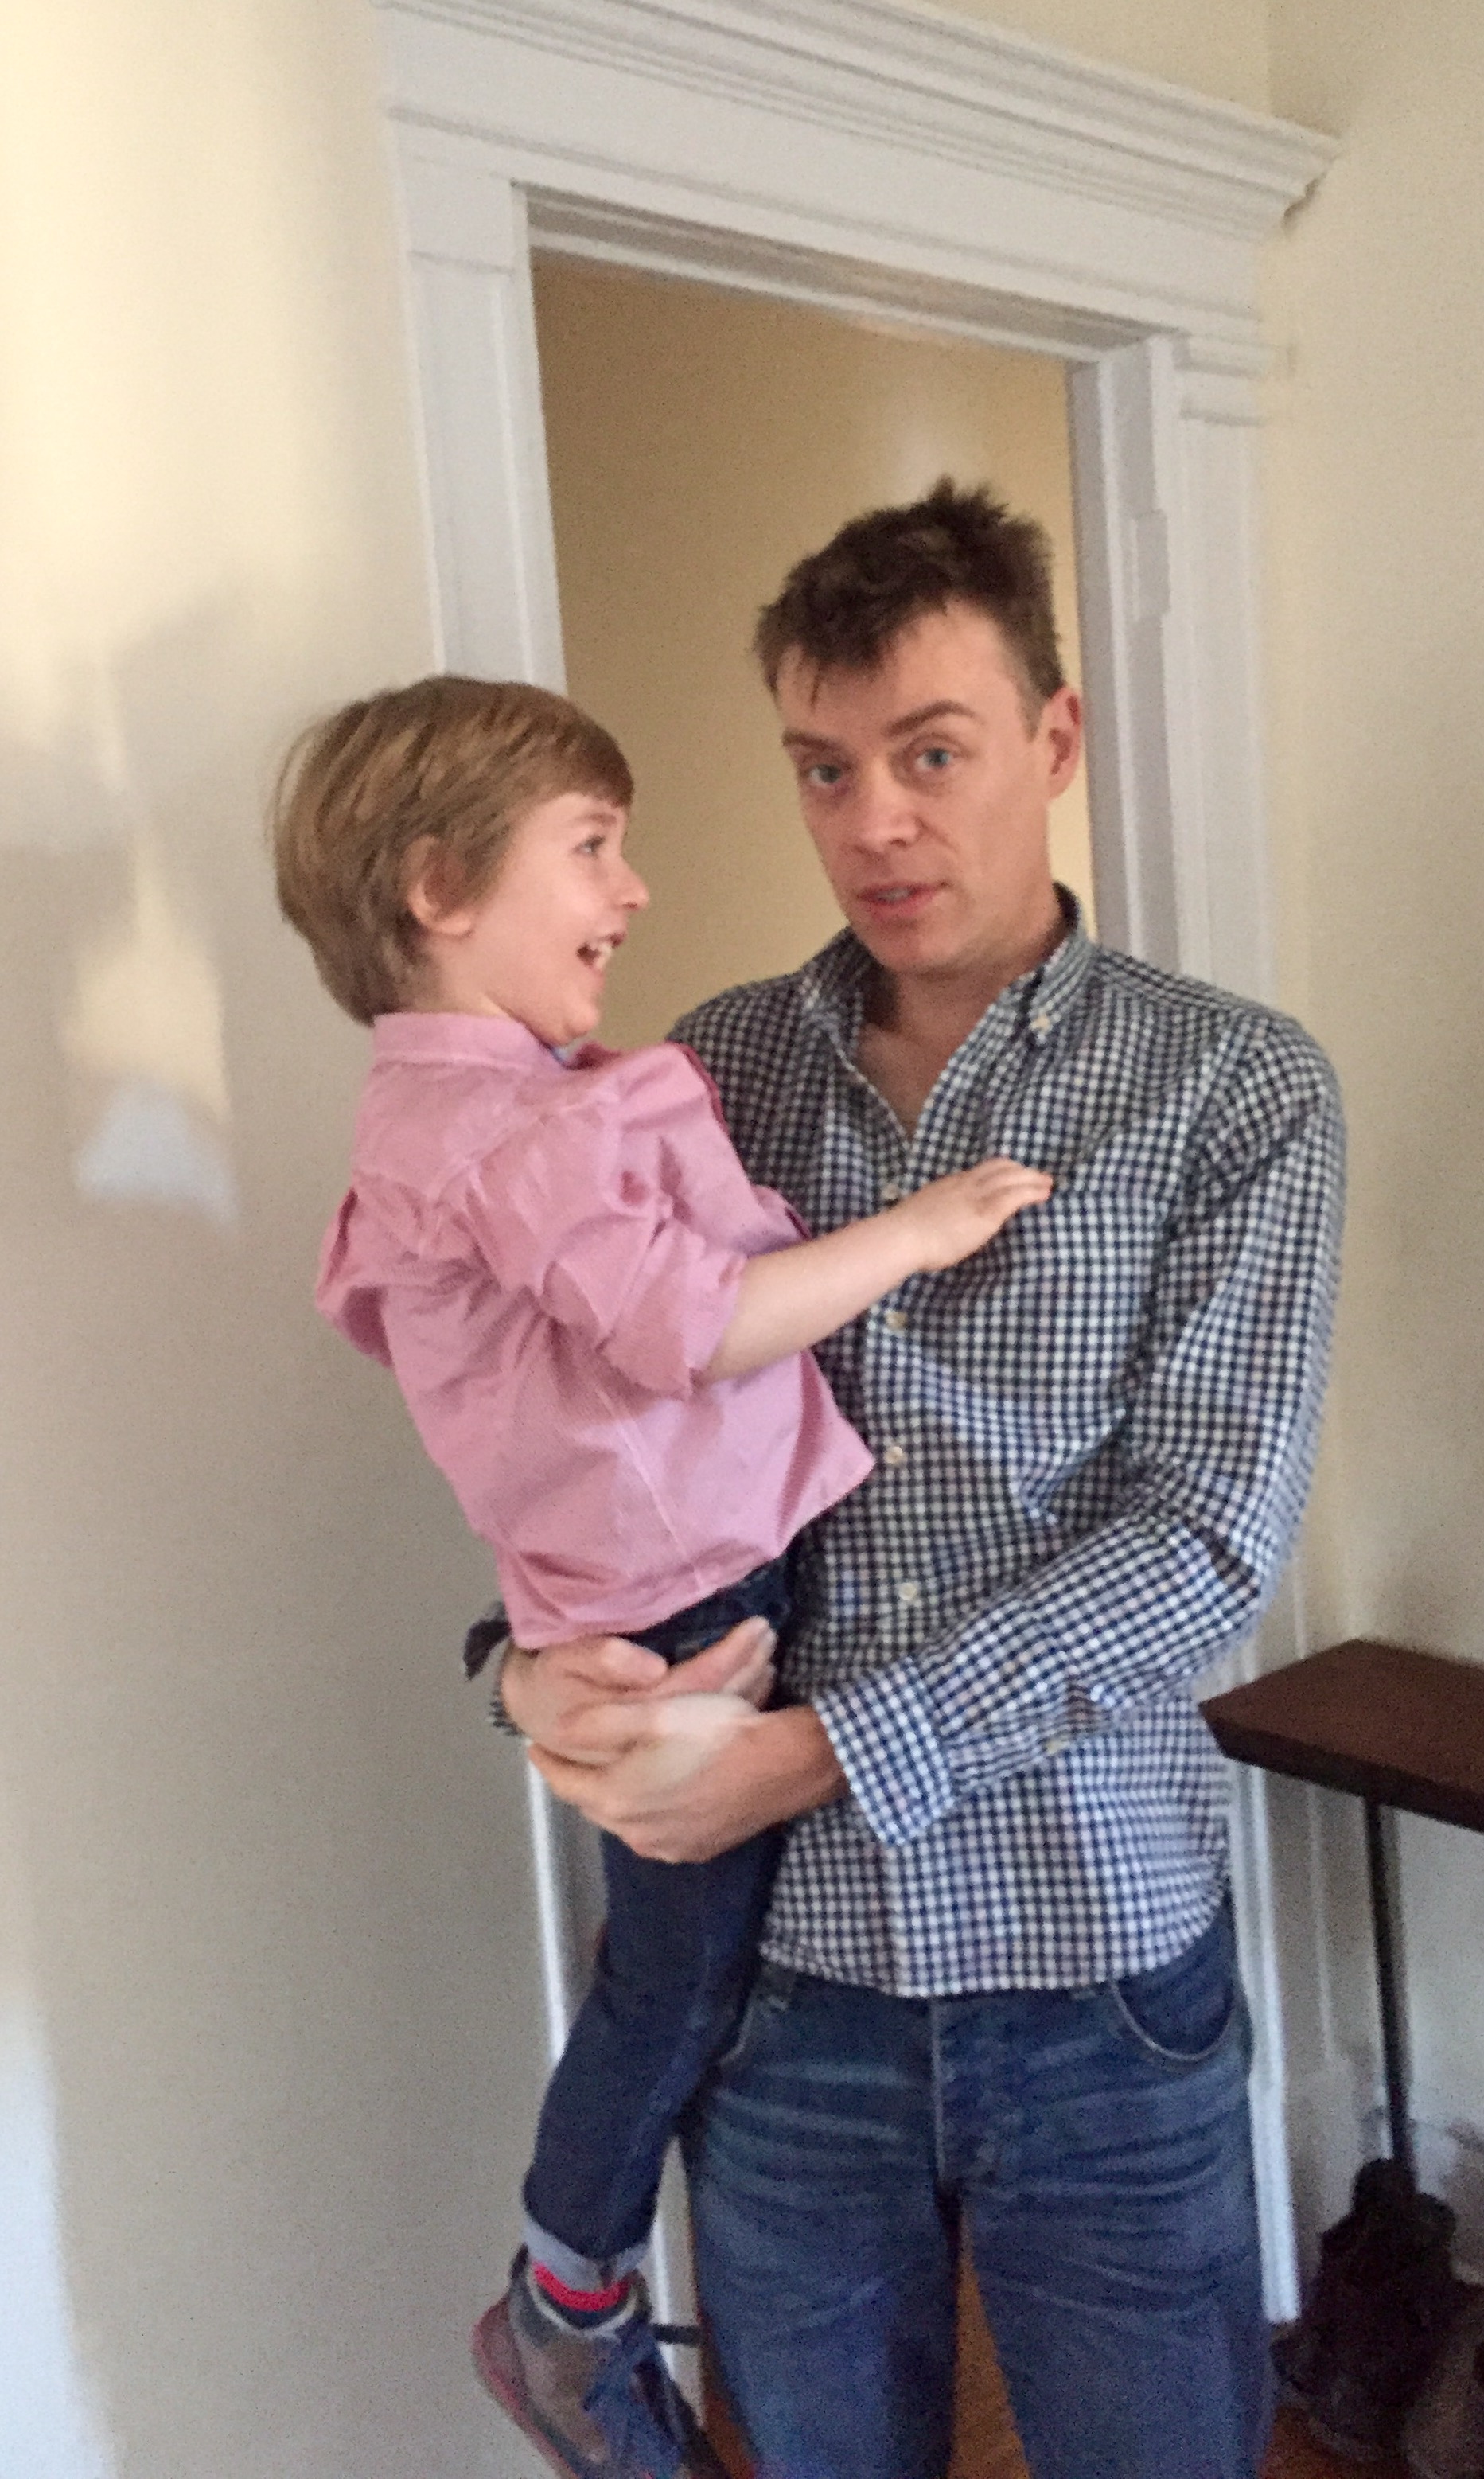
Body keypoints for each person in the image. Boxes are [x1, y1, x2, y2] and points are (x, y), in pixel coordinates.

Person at [498, 481, 1347, 2479]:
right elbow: (585, 1435)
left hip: (1098, 1969)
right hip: (782, 1995)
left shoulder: (1234, 1085)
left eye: (933, 754)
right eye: (825, 767)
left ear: (1055, 739)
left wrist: (813, 1753)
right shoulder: (703, 1075)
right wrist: (526, 1667)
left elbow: (1203, 1543)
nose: (875, 818)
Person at [270, 673, 1052, 2479]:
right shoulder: (505, 1132)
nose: (629, 891)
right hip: (679, 1603)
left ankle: (579, 2290)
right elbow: (691, 1328)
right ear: (439, 888)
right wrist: (924, 1229)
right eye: (591, 849)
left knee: (684, 1971)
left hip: (648, 1591)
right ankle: (565, 2305)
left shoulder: (476, 1114)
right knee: (681, 1987)